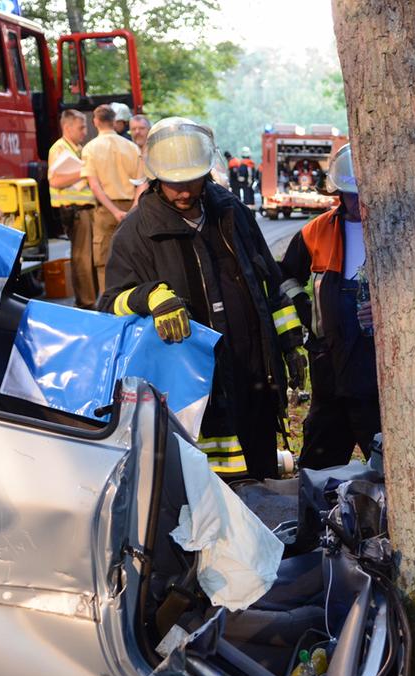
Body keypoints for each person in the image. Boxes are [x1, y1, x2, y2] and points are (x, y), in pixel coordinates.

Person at [100, 118, 306, 479]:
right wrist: (149, 298)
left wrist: (290, 345)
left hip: (253, 376)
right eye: (174, 183)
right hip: (194, 397)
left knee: (258, 479)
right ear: (155, 177)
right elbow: (110, 305)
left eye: (191, 180)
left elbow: (269, 285)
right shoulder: (135, 233)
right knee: (205, 491)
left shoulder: (232, 213)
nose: (183, 191)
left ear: (206, 172)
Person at [279, 144, 380, 469]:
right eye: (348, 193)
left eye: (360, 193)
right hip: (328, 366)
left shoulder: (393, 232)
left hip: (376, 369)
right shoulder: (317, 231)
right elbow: (283, 276)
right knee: (319, 464)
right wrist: (306, 310)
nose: (355, 202)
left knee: (385, 460)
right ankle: (315, 517)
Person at [81, 104, 142, 294]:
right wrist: (133, 208)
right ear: (114, 121)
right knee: (134, 258)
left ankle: (109, 307)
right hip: (132, 207)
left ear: (96, 121)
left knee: (104, 262)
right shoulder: (132, 147)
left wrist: (115, 211)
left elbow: (95, 186)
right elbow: (141, 183)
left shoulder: (90, 149)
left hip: (106, 211)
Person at [47, 109, 97, 308]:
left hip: (85, 209)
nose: (85, 131)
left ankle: (89, 299)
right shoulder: (59, 149)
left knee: (88, 257)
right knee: (82, 258)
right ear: (67, 127)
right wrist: (84, 171)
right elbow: (56, 181)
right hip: (75, 211)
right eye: (81, 127)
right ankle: (87, 302)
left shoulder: (76, 148)